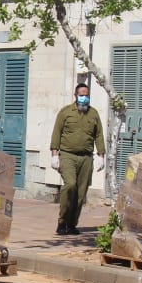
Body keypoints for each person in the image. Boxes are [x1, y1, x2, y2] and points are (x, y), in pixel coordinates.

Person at [49, 83, 105, 235]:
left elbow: (99, 135)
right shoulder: (65, 112)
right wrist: (55, 154)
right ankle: (62, 222)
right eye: (81, 95)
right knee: (70, 185)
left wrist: (101, 155)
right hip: (68, 155)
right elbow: (57, 133)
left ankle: (72, 224)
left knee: (81, 193)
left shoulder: (93, 114)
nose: (84, 98)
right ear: (75, 96)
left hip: (86, 157)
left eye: (86, 95)